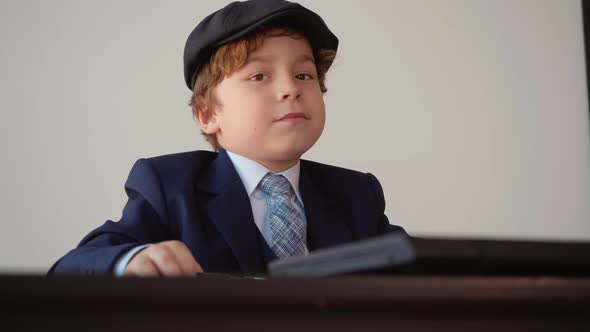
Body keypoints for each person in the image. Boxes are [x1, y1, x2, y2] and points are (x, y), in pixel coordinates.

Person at [49, 0, 406, 277]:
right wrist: (133, 259)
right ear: (207, 114)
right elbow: (73, 265)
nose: (290, 90)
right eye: (259, 76)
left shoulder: (357, 195)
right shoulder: (170, 189)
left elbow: (418, 269)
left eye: (303, 74)